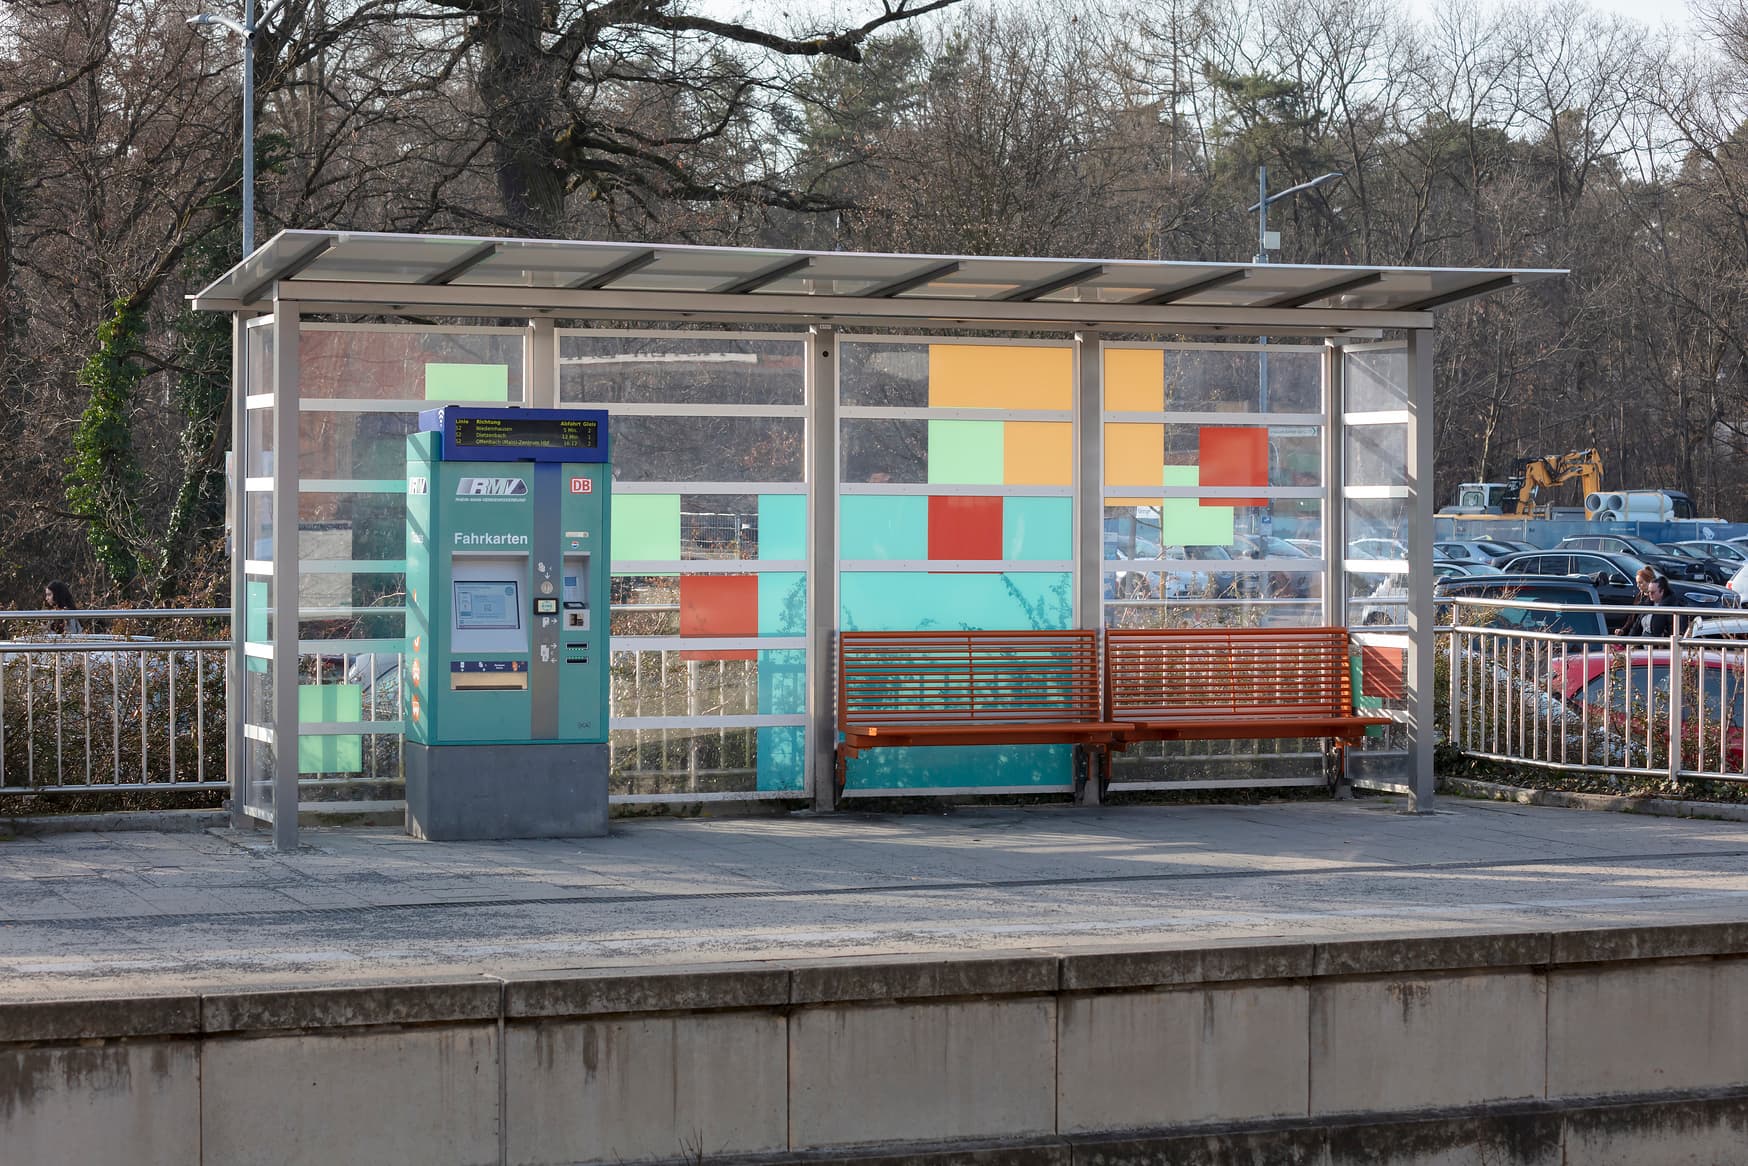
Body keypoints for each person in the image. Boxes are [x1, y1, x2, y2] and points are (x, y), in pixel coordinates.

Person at [1617, 568, 1682, 638]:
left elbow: (1670, 629)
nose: (1650, 594)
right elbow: (1635, 624)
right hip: (1644, 640)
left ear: (1662, 591)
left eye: (1652, 592)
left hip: (1658, 642)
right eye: (1649, 592)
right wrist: (1629, 638)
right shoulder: (1645, 601)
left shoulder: (1670, 605)